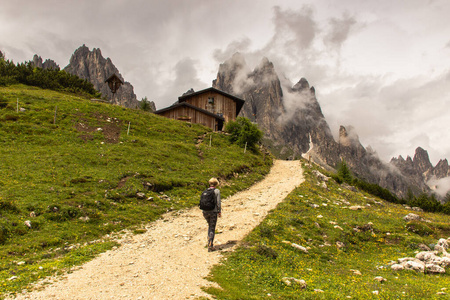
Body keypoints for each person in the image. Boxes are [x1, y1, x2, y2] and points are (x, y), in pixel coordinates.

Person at [201, 177, 221, 252]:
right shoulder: (217, 191)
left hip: (204, 211)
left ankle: (209, 240)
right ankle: (210, 244)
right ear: (216, 184)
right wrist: (219, 211)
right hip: (213, 211)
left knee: (210, 226)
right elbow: (218, 202)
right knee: (212, 227)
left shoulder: (205, 191)